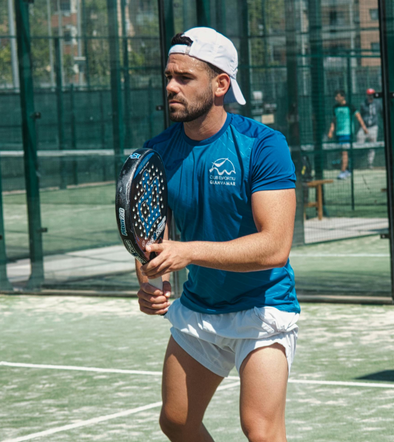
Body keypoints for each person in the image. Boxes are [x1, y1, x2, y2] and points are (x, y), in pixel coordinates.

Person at [136, 27, 300, 442]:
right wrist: (150, 282)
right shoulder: (156, 152)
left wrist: (187, 252)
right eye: (169, 76)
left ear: (220, 84)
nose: (171, 86)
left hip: (263, 309)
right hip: (199, 309)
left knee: (260, 430)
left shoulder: (263, 145)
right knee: (176, 422)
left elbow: (275, 246)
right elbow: (151, 238)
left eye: (185, 78)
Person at [327, 89, 368, 180]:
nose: (335, 98)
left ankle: (343, 171)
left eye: (337, 97)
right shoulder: (335, 108)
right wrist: (331, 131)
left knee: (344, 152)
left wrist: (364, 128)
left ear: (343, 97)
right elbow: (333, 121)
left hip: (347, 133)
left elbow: (358, 117)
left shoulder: (350, 107)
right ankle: (348, 169)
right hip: (338, 133)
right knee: (342, 152)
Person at [356, 88, 383, 169]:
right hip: (364, 127)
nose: (371, 96)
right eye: (369, 94)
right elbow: (360, 115)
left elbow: (382, 113)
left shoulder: (378, 103)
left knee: (372, 145)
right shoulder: (363, 104)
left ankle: (370, 163)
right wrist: (362, 127)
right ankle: (358, 163)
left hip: (373, 127)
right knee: (359, 144)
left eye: (372, 94)